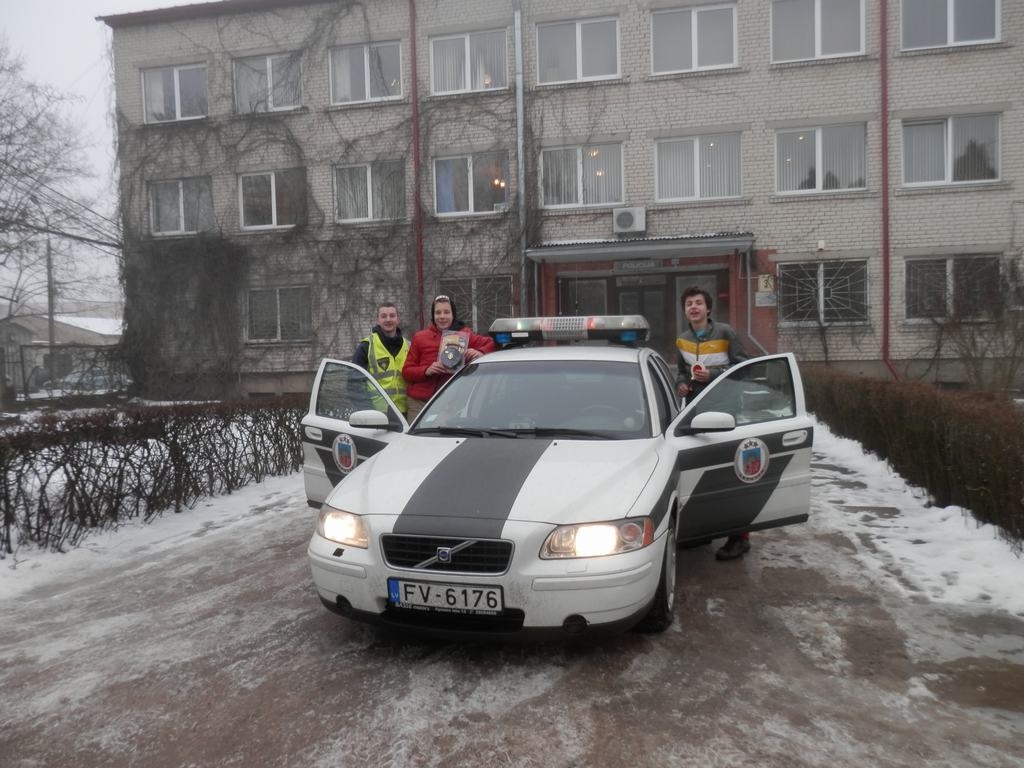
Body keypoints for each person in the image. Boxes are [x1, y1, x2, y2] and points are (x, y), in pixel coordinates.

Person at [674, 285, 752, 562]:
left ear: (708, 309)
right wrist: (682, 384)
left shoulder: (726, 333)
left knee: (732, 475)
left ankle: (739, 538)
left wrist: (714, 373)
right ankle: (704, 531)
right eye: (688, 304)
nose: (693, 307)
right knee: (703, 473)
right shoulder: (682, 339)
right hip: (697, 413)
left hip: (727, 412)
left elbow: (744, 367)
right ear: (685, 311)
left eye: (698, 303)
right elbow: (682, 372)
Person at [402, 294, 496, 420]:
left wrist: (480, 352)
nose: (442, 317)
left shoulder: (465, 335)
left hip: (449, 403)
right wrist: (426, 371)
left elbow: (493, 343)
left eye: (446, 312)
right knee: (417, 439)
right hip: (419, 402)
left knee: (444, 439)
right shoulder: (420, 337)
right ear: (433, 316)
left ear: (453, 315)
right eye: (438, 313)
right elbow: (406, 372)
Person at [352, 302, 410, 416]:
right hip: (377, 415)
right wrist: (367, 411)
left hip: (405, 414)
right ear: (377, 320)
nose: (388, 319)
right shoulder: (366, 346)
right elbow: (354, 383)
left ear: (398, 319)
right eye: (383, 316)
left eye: (392, 316)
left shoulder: (409, 346)